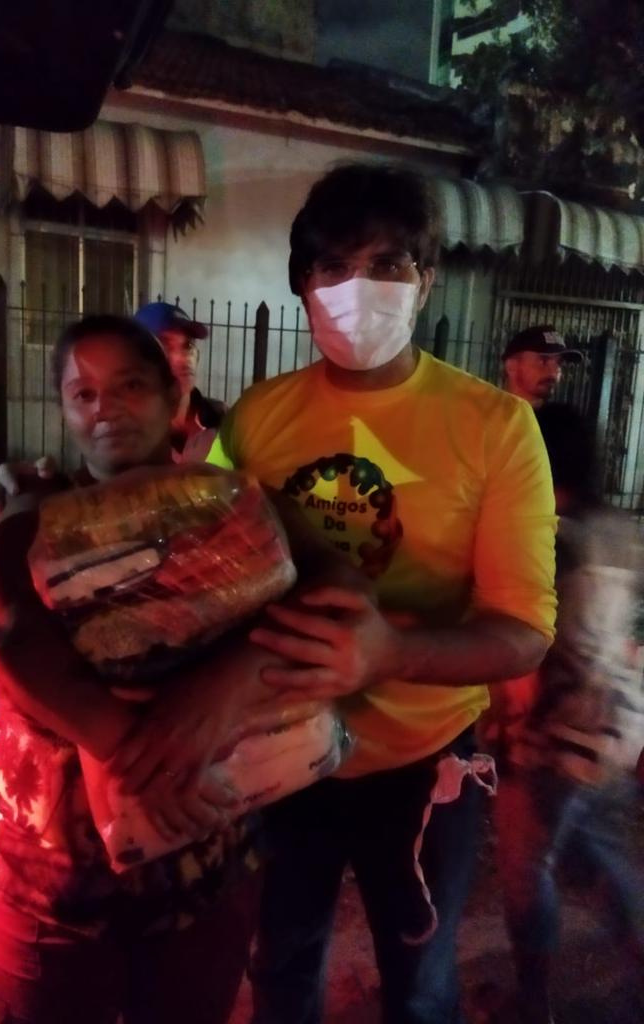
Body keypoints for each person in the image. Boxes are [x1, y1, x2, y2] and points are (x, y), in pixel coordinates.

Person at [206, 163, 558, 1024]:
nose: (358, 287)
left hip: (424, 766)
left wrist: (391, 652)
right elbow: (199, 549)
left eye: (389, 263)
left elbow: (524, 629)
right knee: (280, 965)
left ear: (426, 279)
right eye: (333, 266)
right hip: (280, 759)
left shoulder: (497, 427)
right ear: (302, 286)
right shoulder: (255, 418)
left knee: (421, 985)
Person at [0, 315, 267, 1024]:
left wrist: (241, 671)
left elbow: (302, 616)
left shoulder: (224, 514)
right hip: (50, 895)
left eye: (129, 386)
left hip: (203, 876)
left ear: (171, 394)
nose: (106, 409)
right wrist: (138, 753)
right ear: (65, 410)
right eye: (84, 393)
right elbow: (7, 632)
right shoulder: (33, 518)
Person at [493, 403, 644, 1024]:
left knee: (525, 870)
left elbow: (531, 646)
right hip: (618, 724)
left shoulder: (551, 536)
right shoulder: (617, 526)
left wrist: (506, 722)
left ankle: (532, 1005)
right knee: (598, 853)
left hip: (558, 732)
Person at [135, 301, 226, 461]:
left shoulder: (222, 418)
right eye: (165, 346)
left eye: (188, 345)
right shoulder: (128, 434)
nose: (182, 359)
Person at [502, 324, 582, 409]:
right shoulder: (494, 414)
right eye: (543, 361)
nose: (553, 372)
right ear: (511, 366)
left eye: (559, 363)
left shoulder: (564, 416)